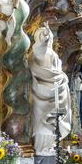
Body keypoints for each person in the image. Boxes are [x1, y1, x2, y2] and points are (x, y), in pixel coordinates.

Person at [28, 23, 72, 156]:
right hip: (40, 93)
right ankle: (40, 147)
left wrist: (62, 79)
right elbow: (39, 50)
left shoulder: (53, 54)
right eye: (41, 36)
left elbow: (57, 71)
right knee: (41, 125)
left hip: (55, 91)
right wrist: (45, 36)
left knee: (54, 124)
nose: (47, 39)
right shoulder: (37, 51)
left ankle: (50, 146)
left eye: (49, 37)